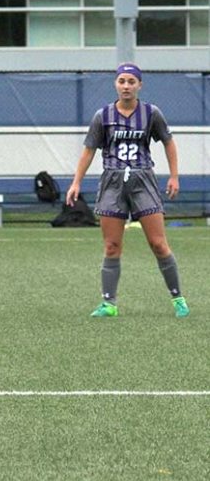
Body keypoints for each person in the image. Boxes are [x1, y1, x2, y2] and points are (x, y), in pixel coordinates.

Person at [66, 63, 189, 318]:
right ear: (116, 84)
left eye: (131, 82)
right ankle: (109, 304)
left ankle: (178, 298)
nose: (126, 86)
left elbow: (168, 141)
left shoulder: (151, 113)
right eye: (122, 81)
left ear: (139, 85)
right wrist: (76, 182)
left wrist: (174, 176)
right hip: (112, 181)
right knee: (112, 245)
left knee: (158, 243)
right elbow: (89, 150)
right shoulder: (103, 116)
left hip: (143, 180)